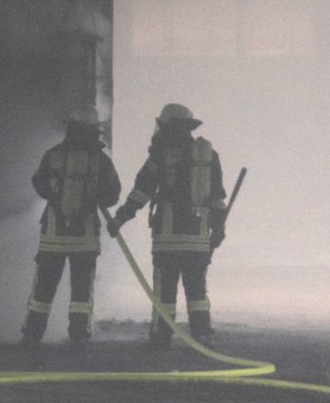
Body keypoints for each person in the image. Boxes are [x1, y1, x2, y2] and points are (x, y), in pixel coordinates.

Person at [106, 103, 226, 348]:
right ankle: (202, 334)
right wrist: (218, 230)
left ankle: (161, 335)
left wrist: (120, 219)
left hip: (167, 239)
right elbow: (217, 199)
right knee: (197, 292)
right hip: (198, 237)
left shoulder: (160, 156)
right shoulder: (208, 156)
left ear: (168, 127)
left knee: (165, 291)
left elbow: (141, 193)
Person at [20, 106, 121, 348]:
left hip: (53, 236)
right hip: (85, 238)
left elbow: (38, 183)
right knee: (81, 292)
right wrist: (91, 197)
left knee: (43, 290)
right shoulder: (102, 161)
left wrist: (57, 197)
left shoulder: (53, 154)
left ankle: (32, 335)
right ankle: (79, 335)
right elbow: (112, 196)